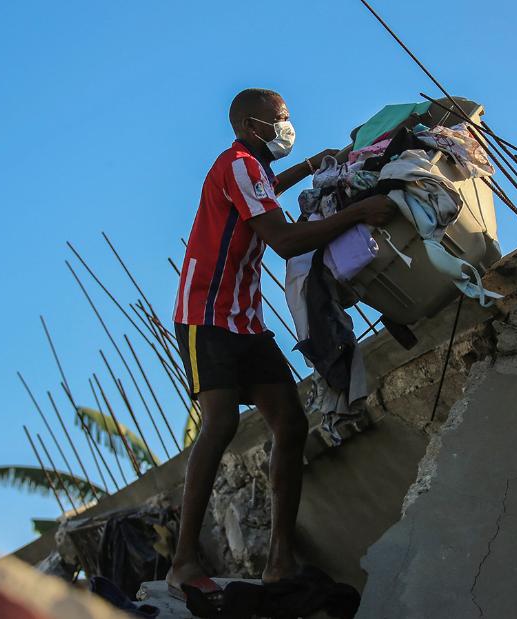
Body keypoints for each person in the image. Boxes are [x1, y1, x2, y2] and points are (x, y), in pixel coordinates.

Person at [167, 88, 396, 599]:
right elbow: (286, 241)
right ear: (252, 125)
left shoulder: (250, 169)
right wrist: (359, 214)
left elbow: (268, 190)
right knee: (221, 422)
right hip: (207, 315)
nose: (288, 127)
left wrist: (312, 165)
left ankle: (279, 561)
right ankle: (182, 562)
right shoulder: (239, 165)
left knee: (290, 424)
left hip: (246, 320)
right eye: (281, 119)